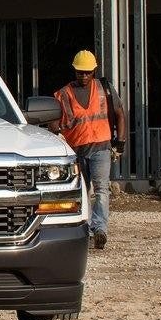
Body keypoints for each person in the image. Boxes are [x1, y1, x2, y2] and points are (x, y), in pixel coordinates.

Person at [50, 50, 127, 250]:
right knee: (83, 191)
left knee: (101, 189)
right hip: (76, 150)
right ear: (74, 71)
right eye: (80, 72)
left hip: (101, 147)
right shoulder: (63, 94)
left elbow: (119, 114)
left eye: (87, 72)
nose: (83, 76)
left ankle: (99, 229)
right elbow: (53, 122)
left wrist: (121, 141)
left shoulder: (105, 89)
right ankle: (85, 229)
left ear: (94, 71)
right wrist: (56, 135)